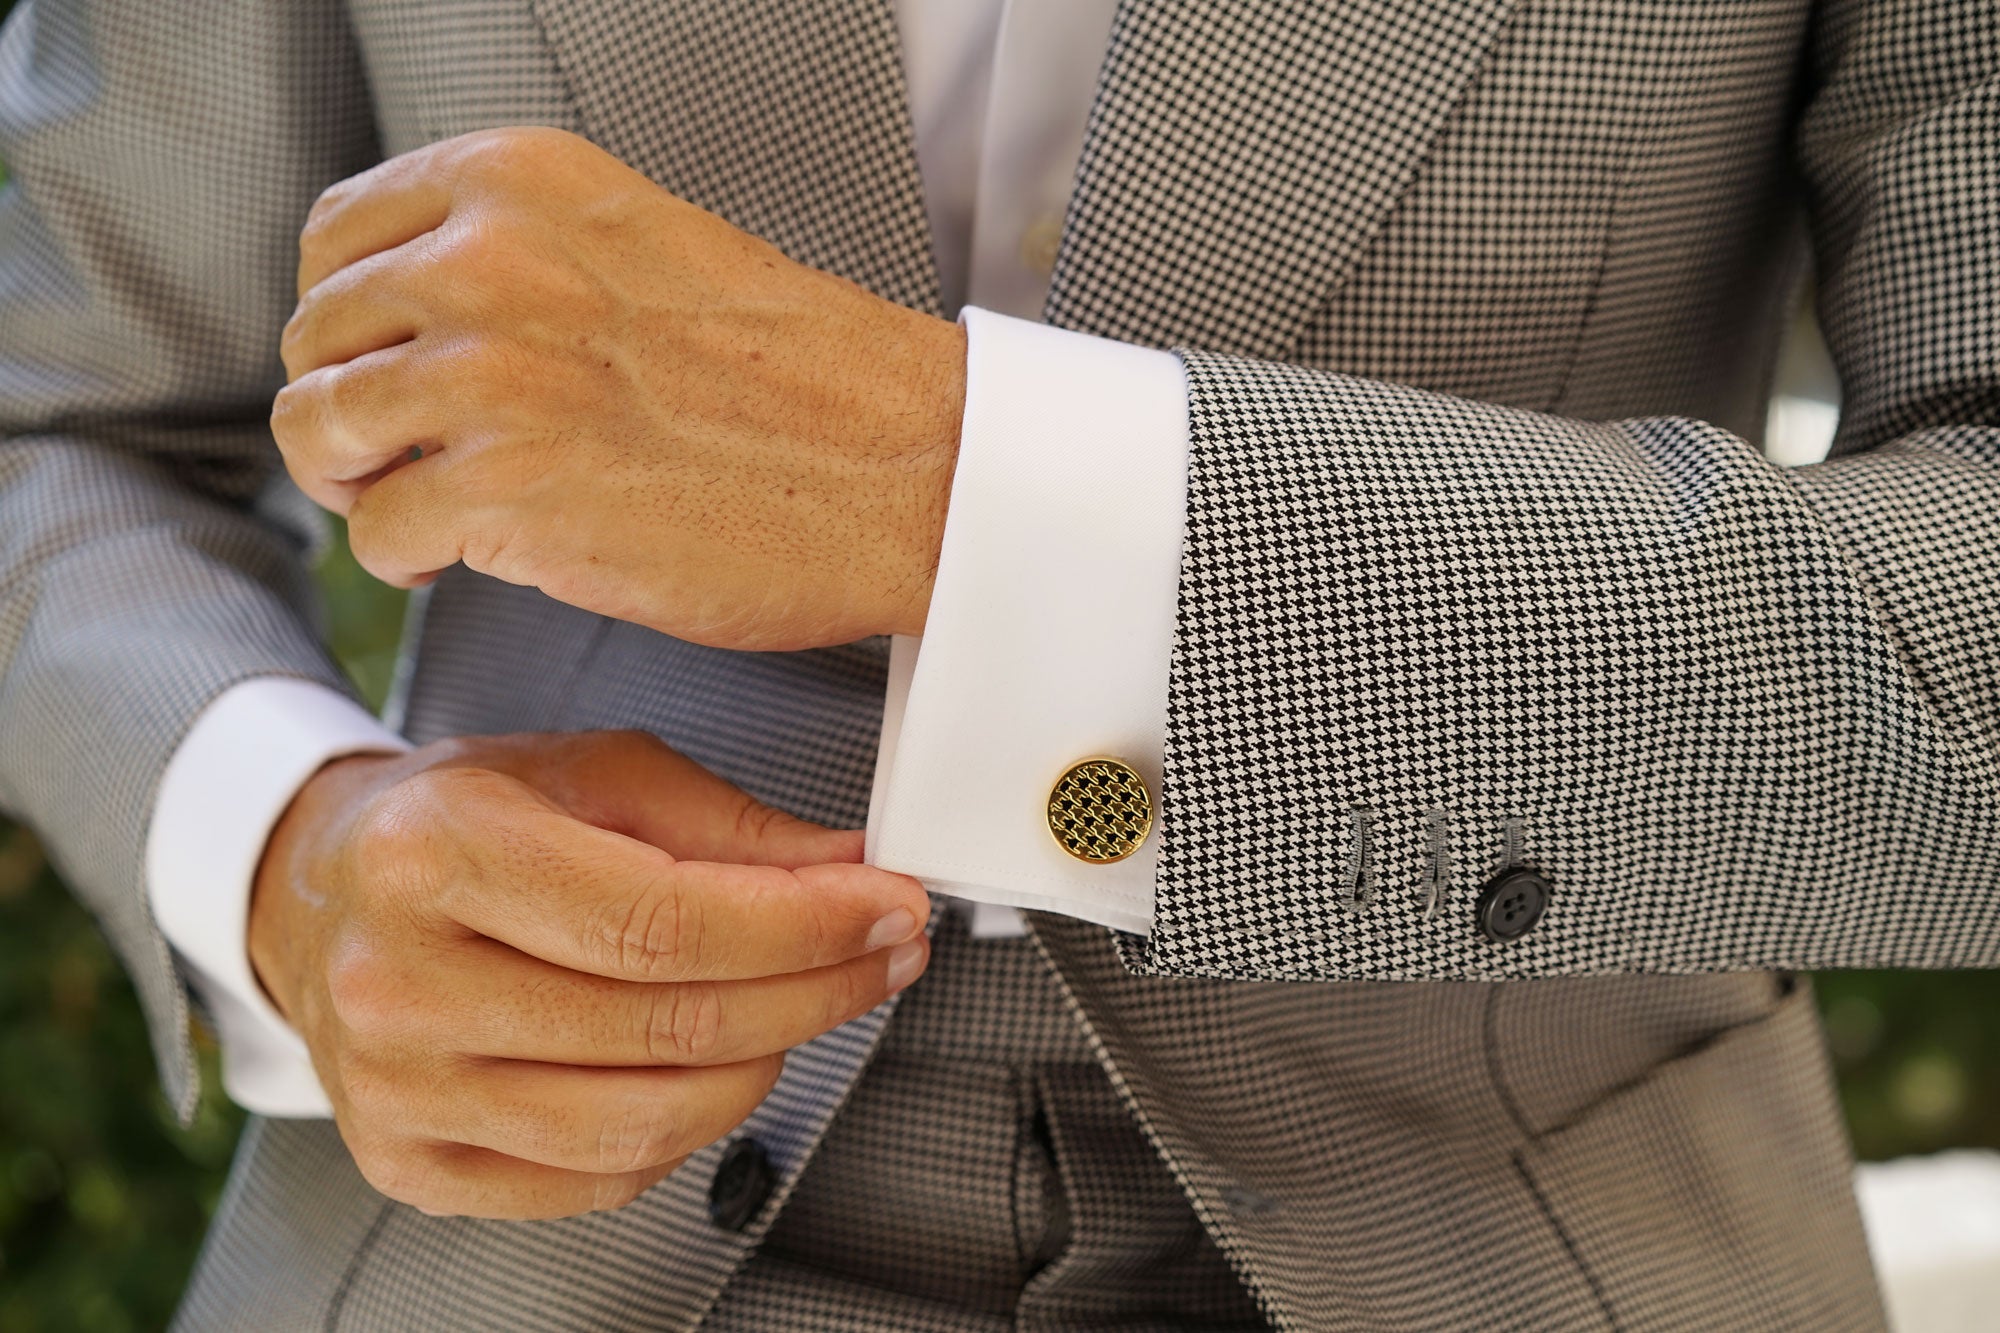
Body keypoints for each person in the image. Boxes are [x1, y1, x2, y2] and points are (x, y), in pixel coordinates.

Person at [2, 0, 1993, 1326]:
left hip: (1519, 1238)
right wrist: (284, 846)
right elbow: (69, 422)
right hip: (504, 1250)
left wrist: (955, 487)